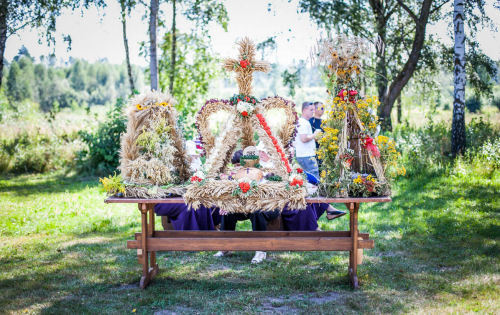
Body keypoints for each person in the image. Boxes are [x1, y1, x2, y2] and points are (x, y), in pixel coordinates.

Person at [293, 102, 321, 179]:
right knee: (314, 179)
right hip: (306, 156)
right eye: (311, 110)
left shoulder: (304, 122)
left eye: (314, 110)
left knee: (307, 179)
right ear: (304, 110)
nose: (313, 112)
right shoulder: (303, 122)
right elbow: (304, 139)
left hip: (304, 155)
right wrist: (315, 134)